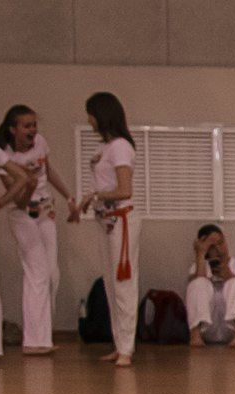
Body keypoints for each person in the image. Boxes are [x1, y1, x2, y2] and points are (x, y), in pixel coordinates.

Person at [0, 105, 75, 357]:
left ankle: (43, 335)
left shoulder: (40, 143)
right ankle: (33, 340)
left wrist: (69, 197)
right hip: (22, 215)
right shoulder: (4, 156)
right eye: (26, 126)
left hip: (46, 212)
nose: (32, 130)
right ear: (13, 129)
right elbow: (17, 200)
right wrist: (27, 184)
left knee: (52, 274)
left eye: (34, 125)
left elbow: (48, 171)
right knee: (36, 272)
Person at [75, 93, 138, 368]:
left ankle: (127, 347)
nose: (88, 119)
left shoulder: (121, 146)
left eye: (90, 113)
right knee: (110, 285)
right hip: (106, 220)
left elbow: (125, 189)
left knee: (124, 284)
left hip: (122, 220)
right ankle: (118, 342)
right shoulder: (108, 146)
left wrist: (95, 195)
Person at [184, 225, 235, 346]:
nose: (219, 249)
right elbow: (195, 283)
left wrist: (229, 275)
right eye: (212, 247)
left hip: (231, 326)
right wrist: (200, 254)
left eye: (221, 243)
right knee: (198, 282)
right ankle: (195, 336)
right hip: (207, 327)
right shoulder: (198, 266)